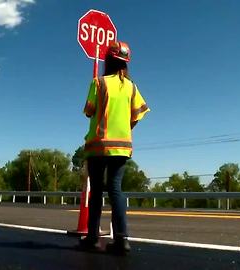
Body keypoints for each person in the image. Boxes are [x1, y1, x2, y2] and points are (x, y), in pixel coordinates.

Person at [79, 41, 150, 254]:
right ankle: (122, 239)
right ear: (126, 63)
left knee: (98, 191)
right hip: (122, 147)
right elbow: (138, 115)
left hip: (98, 146)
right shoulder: (132, 87)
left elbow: (89, 111)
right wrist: (124, 129)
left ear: (107, 61)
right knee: (116, 190)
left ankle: (92, 238)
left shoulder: (99, 83)